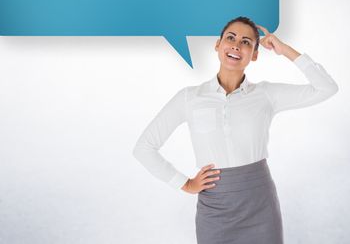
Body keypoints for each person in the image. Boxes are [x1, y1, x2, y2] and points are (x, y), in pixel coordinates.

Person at [132, 16, 339, 244]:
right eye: (230, 38)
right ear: (218, 45)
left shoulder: (266, 95)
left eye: (246, 42)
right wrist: (184, 183)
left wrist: (285, 50)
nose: (236, 45)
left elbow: (326, 88)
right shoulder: (189, 98)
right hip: (214, 208)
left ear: (255, 54)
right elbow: (144, 147)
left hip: (260, 204)